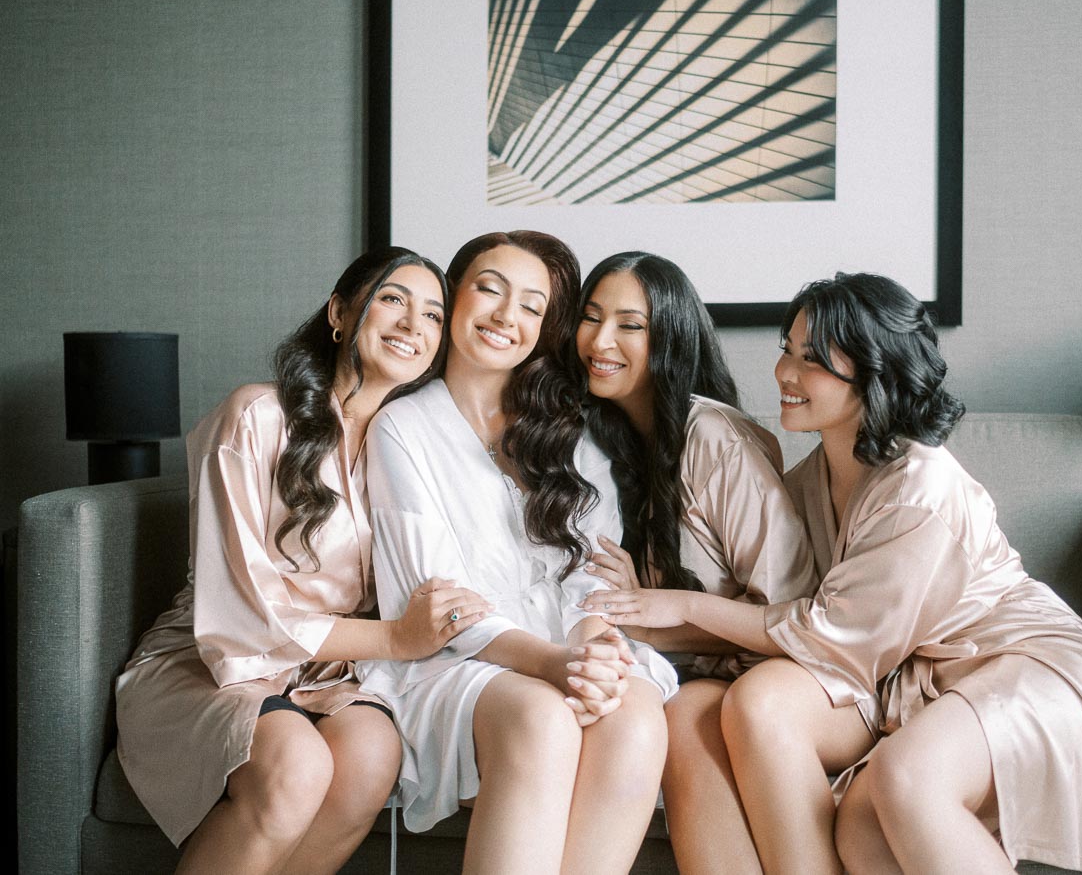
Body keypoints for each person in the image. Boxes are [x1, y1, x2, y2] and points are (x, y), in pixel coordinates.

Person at [584, 273, 1082, 875]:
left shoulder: (921, 487)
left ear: (874, 373)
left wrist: (681, 607)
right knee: (862, 827)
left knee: (906, 780)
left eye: (812, 360)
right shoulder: (815, 476)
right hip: (912, 682)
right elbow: (795, 608)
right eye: (787, 348)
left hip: (1019, 663)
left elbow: (831, 638)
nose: (785, 372)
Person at [116, 248, 493, 874]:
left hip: (329, 673)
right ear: (340, 312)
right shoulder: (257, 416)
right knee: (297, 764)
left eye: (433, 314)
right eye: (393, 300)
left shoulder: (411, 448)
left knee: (372, 755)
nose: (412, 325)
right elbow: (241, 610)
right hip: (212, 658)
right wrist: (399, 639)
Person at [355, 232, 677, 874]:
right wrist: (554, 664)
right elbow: (439, 603)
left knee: (634, 710)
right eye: (490, 289)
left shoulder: (571, 429)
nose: (508, 317)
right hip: (460, 662)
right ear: (455, 297)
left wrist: (592, 647)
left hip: (570, 645)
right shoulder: (403, 428)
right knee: (541, 717)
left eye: (532, 305)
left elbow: (596, 565)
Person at [574, 251, 817, 873]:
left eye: (631, 325)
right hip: (669, 667)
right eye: (591, 317)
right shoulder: (600, 438)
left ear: (671, 337)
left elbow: (790, 612)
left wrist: (650, 621)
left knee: (683, 719)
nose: (601, 340)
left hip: (766, 667)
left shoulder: (713, 439)